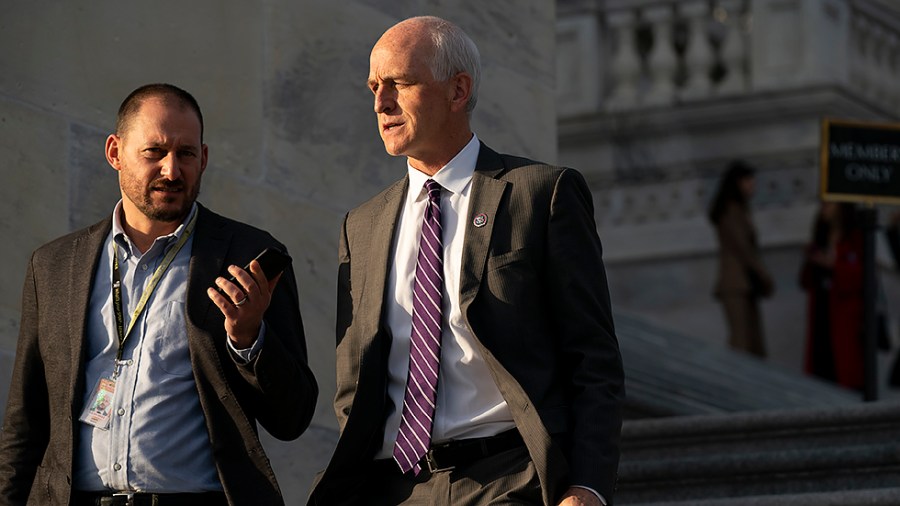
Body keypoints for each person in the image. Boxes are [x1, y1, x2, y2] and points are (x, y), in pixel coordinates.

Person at [308, 16, 624, 506]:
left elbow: (593, 359)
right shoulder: (362, 225)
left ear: (458, 91)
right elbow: (355, 385)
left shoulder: (541, 194)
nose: (380, 103)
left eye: (400, 83)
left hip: (510, 479)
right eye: (374, 86)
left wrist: (589, 486)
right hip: (395, 488)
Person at [0, 83, 318, 505]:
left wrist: (249, 340)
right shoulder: (55, 266)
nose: (172, 170)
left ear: (203, 159)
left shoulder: (248, 258)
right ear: (115, 152)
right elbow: (25, 423)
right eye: (154, 152)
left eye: (186, 154)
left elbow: (292, 417)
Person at [708, 160, 774, 357]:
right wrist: (764, 275)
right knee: (742, 343)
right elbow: (743, 248)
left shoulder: (738, 209)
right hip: (736, 284)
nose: (752, 187)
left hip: (744, 283)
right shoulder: (731, 210)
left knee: (752, 344)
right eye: (748, 182)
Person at [799, 201, 865, 390]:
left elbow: (861, 276)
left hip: (845, 315)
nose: (824, 209)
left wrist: (832, 265)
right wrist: (812, 258)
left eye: (829, 204)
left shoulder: (854, 237)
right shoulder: (821, 235)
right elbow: (805, 281)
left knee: (845, 366)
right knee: (822, 366)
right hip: (823, 309)